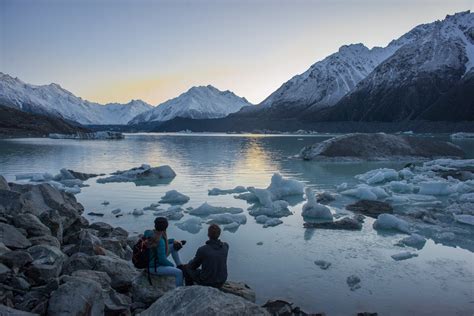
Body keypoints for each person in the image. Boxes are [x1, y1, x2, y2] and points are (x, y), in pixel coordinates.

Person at [143, 217, 185, 287]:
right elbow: (162, 260)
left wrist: (172, 240)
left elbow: (158, 243)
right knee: (179, 273)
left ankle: (179, 265)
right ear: (166, 227)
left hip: (148, 261)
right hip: (153, 267)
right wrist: (172, 266)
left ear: (155, 225)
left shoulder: (148, 232)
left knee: (172, 246)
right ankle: (179, 291)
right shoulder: (161, 241)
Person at [183, 223, 229, 288]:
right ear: (219, 234)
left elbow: (193, 266)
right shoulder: (226, 246)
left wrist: (188, 263)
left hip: (208, 281)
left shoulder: (203, 249)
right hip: (222, 280)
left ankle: (189, 290)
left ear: (208, 234)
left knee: (186, 269)